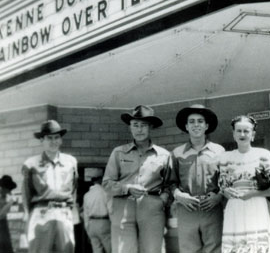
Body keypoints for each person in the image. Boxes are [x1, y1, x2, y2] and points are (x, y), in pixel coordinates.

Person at [103, 105, 173, 253]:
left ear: (151, 127)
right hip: (123, 207)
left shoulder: (164, 155)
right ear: (130, 127)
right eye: (135, 125)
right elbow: (107, 183)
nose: (139, 129)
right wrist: (126, 188)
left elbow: (169, 184)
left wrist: (162, 200)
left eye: (143, 125)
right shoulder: (118, 152)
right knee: (123, 250)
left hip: (152, 208)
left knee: (152, 250)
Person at [218, 115, 270, 253]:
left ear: (253, 134)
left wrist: (253, 194)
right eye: (238, 131)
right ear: (233, 134)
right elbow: (222, 187)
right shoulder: (225, 157)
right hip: (235, 208)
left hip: (256, 207)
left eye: (246, 131)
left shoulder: (263, 154)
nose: (242, 134)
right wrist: (225, 192)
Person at [171, 104, 225, 253]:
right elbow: (170, 182)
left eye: (200, 121)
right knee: (189, 250)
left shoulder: (219, 151)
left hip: (212, 208)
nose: (196, 125)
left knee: (215, 248)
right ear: (186, 126)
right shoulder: (177, 153)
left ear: (206, 126)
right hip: (187, 208)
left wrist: (219, 196)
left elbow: (226, 180)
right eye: (192, 121)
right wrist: (179, 195)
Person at [21, 120, 79, 253]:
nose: (54, 141)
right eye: (49, 138)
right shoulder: (31, 164)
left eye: (57, 137)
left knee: (66, 249)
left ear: (61, 140)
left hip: (64, 214)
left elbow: (74, 189)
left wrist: (71, 212)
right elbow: (26, 193)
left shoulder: (71, 162)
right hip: (41, 213)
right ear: (42, 140)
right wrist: (28, 215)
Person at [83, 176, 112, 253]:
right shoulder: (105, 193)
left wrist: (87, 229)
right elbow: (111, 209)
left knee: (96, 249)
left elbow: (85, 214)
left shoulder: (87, 195)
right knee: (110, 249)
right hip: (103, 222)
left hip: (91, 223)